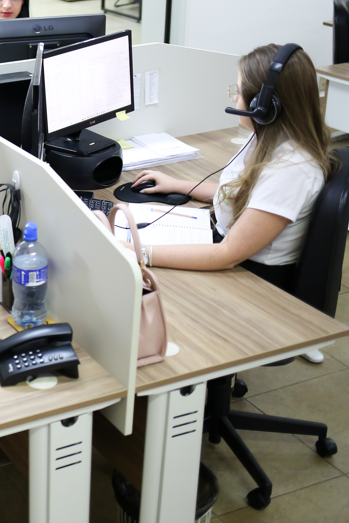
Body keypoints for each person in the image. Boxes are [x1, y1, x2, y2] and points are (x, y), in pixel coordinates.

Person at [129, 44, 338, 357]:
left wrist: (139, 253)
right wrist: (178, 185)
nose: (234, 99)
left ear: (266, 107)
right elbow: (243, 194)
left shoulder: (292, 170)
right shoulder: (269, 137)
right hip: (231, 250)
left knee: (139, 282)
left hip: (252, 281)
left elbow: (227, 255)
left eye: (238, 92)